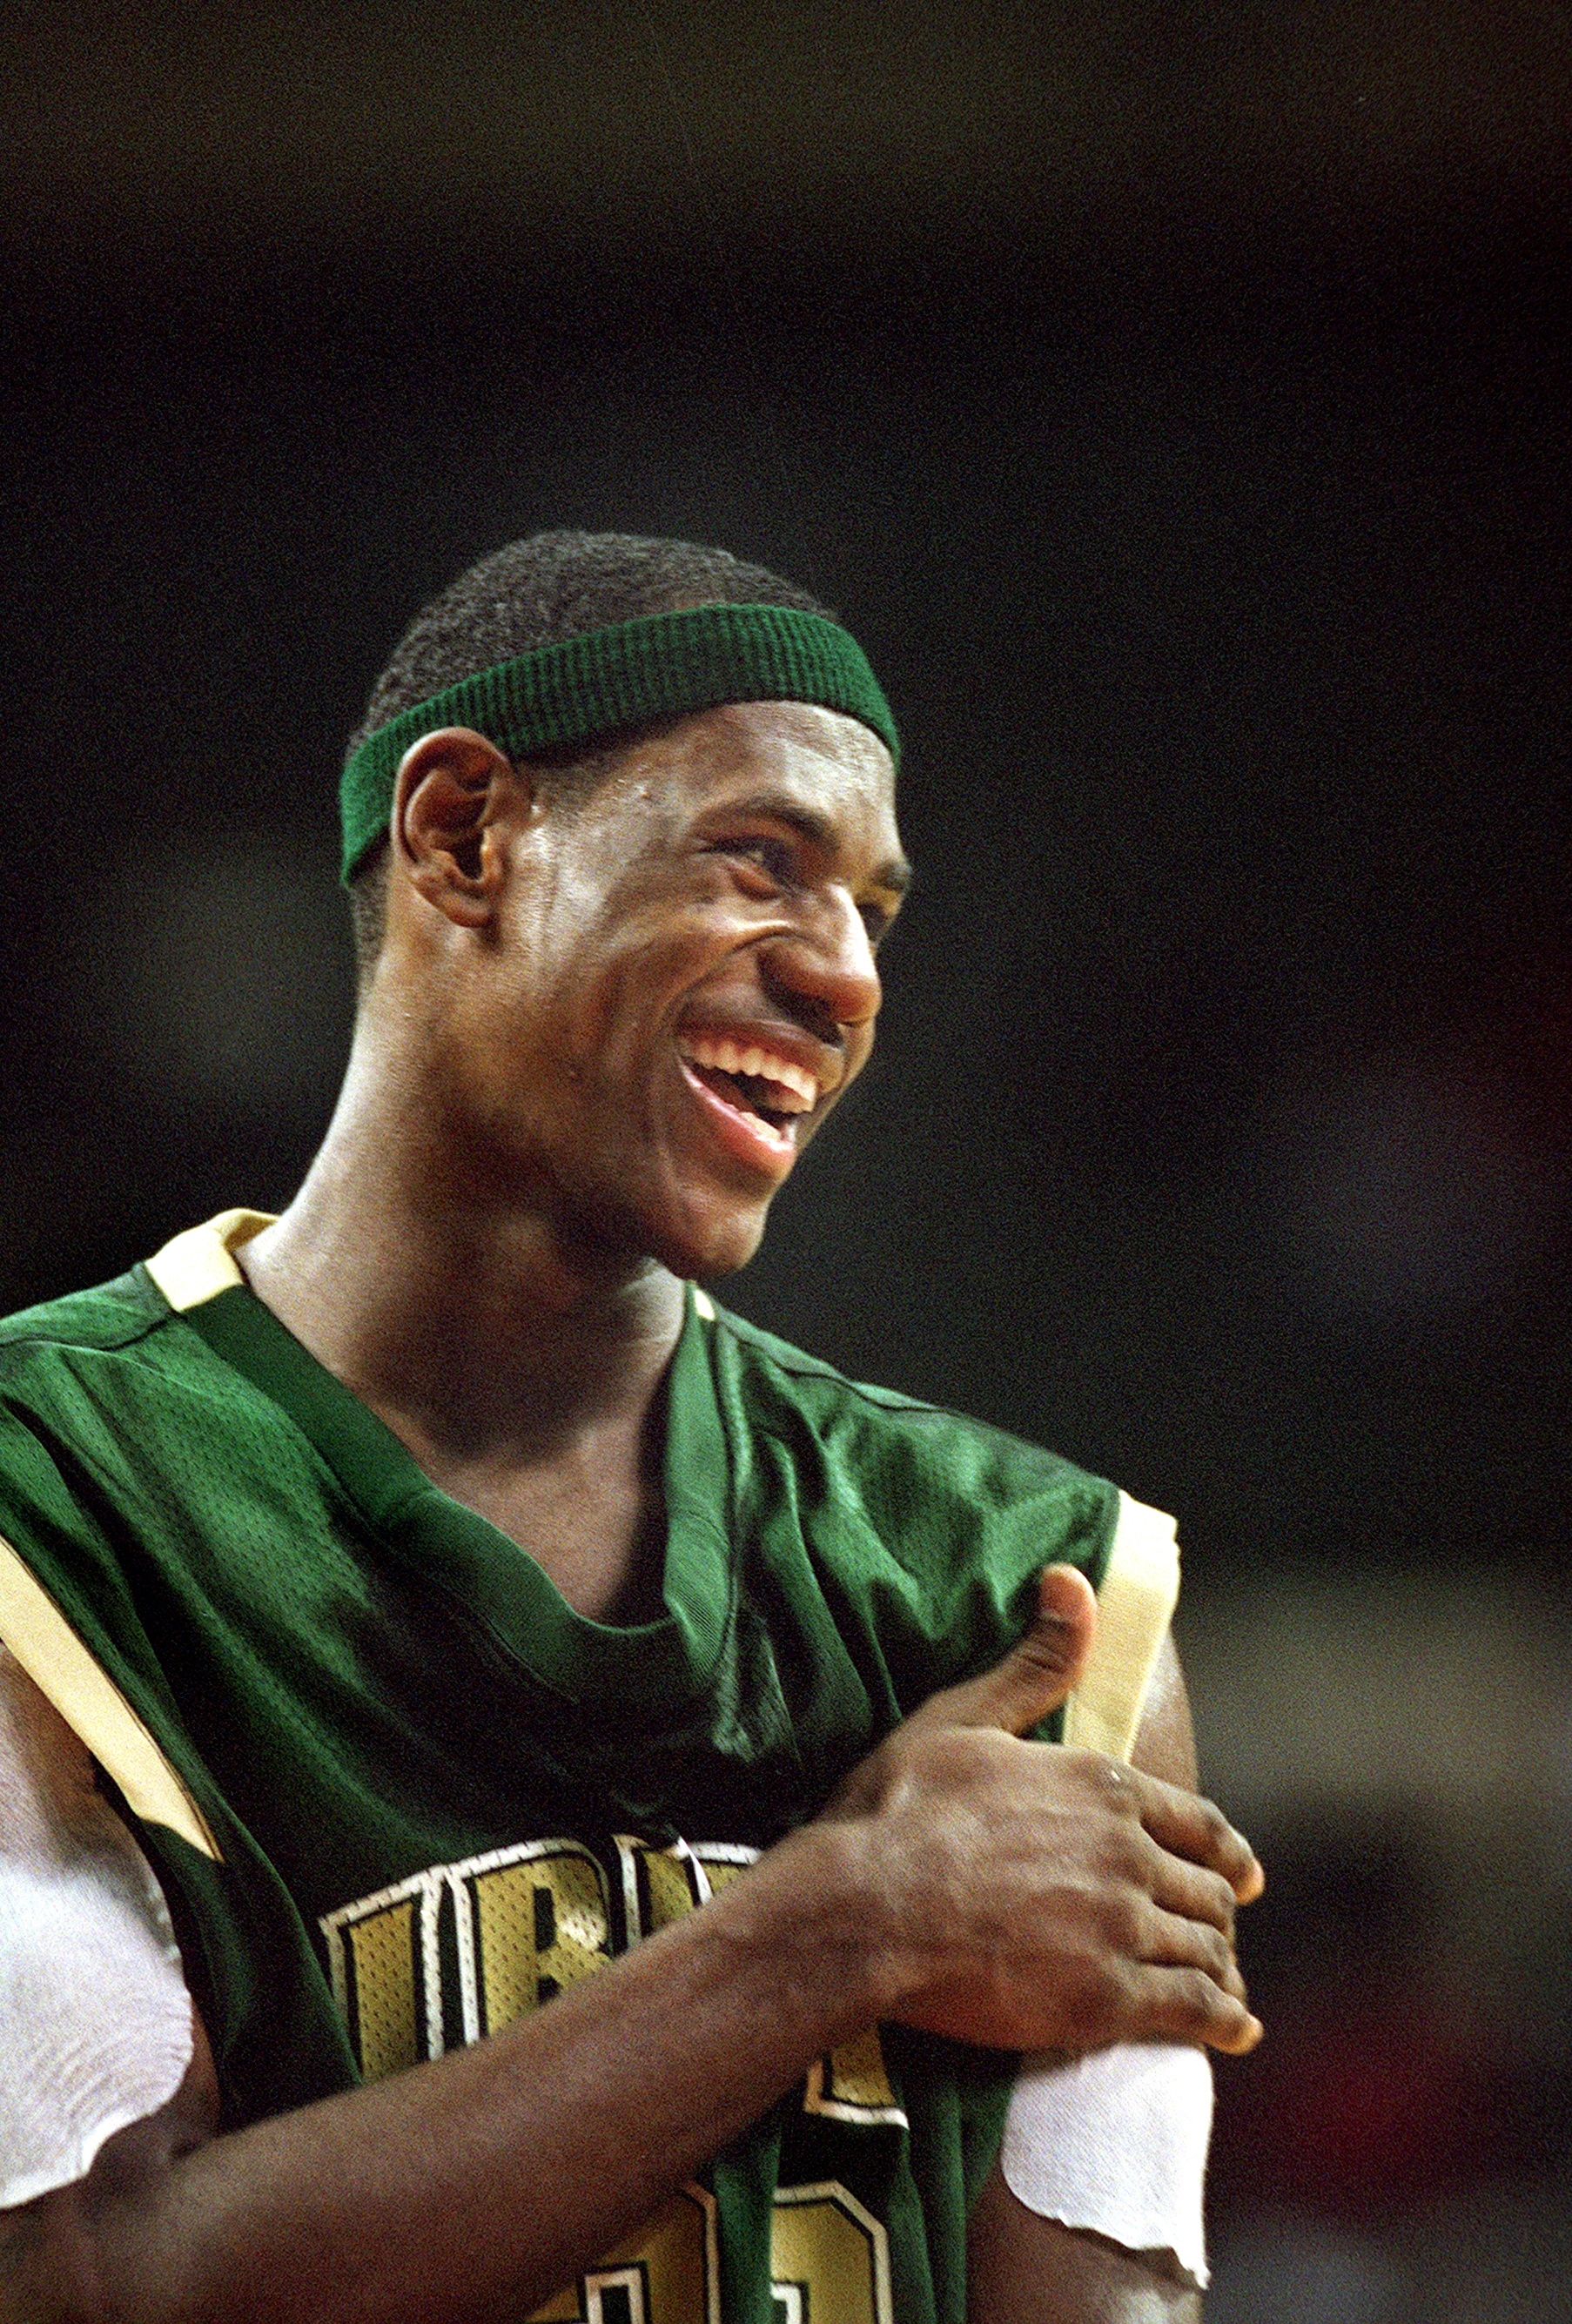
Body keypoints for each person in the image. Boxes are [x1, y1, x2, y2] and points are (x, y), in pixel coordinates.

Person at [0, 531, 1262, 2323]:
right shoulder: (46, 1504)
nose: (846, 977)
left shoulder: (1024, 1585)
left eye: (874, 911)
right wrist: (840, 1926)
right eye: (763, 864)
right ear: (462, 838)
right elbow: (84, 2293)